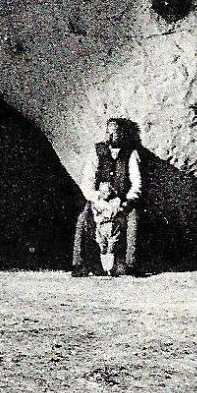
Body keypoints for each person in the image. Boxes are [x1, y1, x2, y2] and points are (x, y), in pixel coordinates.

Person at [71, 117, 144, 277]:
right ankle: (80, 264)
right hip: (99, 201)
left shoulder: (131, 154)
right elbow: (87, 180)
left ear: (122, 134)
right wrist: (96, 200)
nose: (111, 136)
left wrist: (126, 202)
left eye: (115, 132)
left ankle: (128, 263)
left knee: (133, 219)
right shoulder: (96, 151)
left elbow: (136, 182)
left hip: (122, 202)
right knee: (83, 219)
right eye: (108, 132)